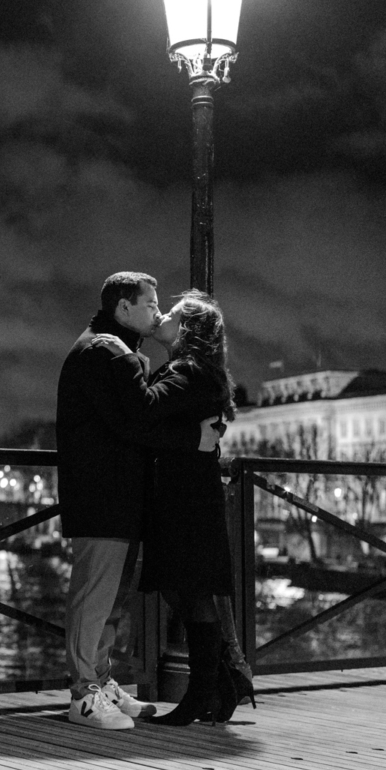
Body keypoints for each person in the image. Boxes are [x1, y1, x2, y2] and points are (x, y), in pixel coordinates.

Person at [56, 272, 222, 730]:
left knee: (109, 600)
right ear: (123, 308)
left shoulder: (113, 350)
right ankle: (84, 695)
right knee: (96, 598)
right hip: (103, 494)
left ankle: (99, 680)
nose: (156, 311)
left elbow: (133, 419)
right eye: (149, 304)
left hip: (115, 494)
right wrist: (194, 437)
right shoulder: (107, 352)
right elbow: (136, 420)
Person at [95, 289, 251, 725]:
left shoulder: (189, 372)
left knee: (190, 592)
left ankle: (200, 695)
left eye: (174, 313)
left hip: (186, 498)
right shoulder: (194, 370)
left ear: (187, 332)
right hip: (187, 495)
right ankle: (220, 684)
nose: (163, 313)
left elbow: (143, 413)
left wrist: (125, 363)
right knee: (181, 588)